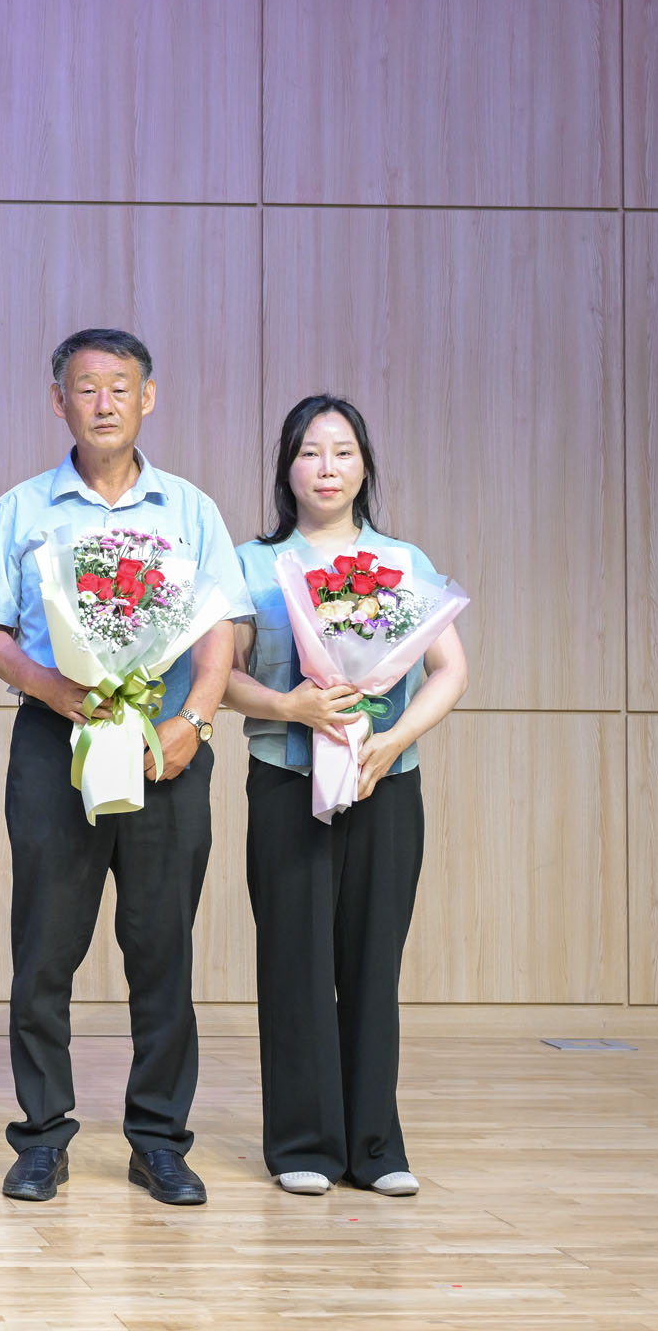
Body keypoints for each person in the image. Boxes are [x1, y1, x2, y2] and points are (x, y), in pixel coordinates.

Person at [0, 327, 252, 1206]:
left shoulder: (191, 510)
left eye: (119, 387)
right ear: (60, 401)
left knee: (161, 948)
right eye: (86, 388)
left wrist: (195, 720)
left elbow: (220, 626)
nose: (103, 403)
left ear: (147, 397)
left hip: (168, 744)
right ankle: (42, 1137)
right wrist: (54, 691)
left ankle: (159, 1140)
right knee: (44, 949)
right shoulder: (22, 508)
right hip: (57, 739)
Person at [223, 395, 468, 1197]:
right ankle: (305, 1143)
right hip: (287, 781)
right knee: (295, 960)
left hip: (385, 782)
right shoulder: (253, 563)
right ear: (286, 467)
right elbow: (220, 677)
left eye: (342, 452)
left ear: (365, 467)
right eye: (309, 452)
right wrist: (288, 705)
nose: (325, 468)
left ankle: (375, 1144)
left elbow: (450, 671)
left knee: (373, 961)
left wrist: (394, 741)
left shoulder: (402, 561)